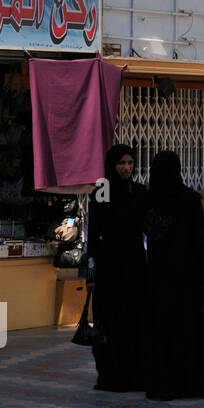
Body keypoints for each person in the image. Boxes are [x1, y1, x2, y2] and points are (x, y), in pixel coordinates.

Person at [141, 151, 204, 400]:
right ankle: (193, 383)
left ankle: (164, 384)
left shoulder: (148, 200)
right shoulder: (190, 200)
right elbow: (199, 241)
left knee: (162, 331)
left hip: (158, 277)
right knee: (189, 331)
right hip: (188, 277)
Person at [87, 144, 148, 392]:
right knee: (109, 321)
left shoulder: (140, 191)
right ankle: (111, 375)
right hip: (109, 267)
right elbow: (94, 235)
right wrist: (90, 273)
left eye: (130, 163)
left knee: (134, 321)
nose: (126, 168)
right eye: (121, 163)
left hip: (134, 265)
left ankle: (135, 374)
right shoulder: (102, 191)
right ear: (112, 165)